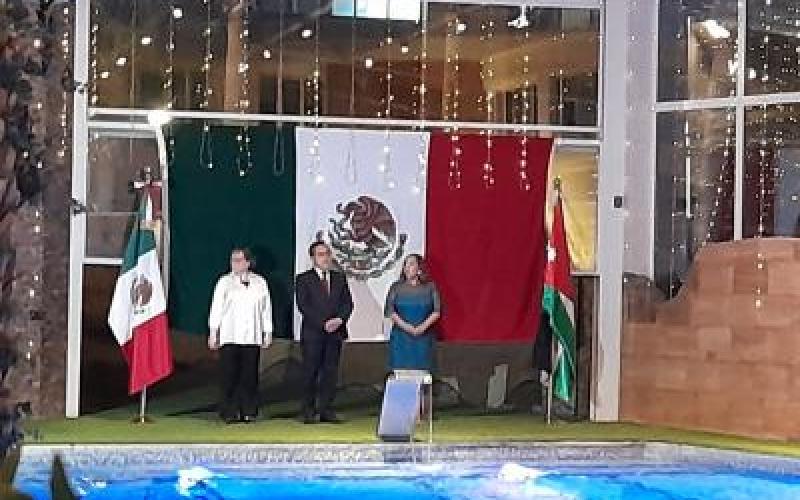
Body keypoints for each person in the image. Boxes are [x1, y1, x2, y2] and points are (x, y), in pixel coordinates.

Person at [208, 247, 273, 424]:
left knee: (249, 375)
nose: (235, 264)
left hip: (252, 336)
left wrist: (267, 331)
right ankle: (228, 411)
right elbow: (216, 307)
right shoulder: (224, 282)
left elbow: (266, 308)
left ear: (248, 262)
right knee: (229, 375)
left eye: (238, 260)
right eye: (233, 260)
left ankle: (248, 411)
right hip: (230, 335)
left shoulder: (260, 282)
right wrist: (213, 332)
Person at [295, 241, 354, 424]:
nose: (325, 258)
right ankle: (308, 410)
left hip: (335, 333)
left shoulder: (339, 278)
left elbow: (347, 303)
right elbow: (304, 305)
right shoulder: (304, 279)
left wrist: (339, 320)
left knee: (330, 373)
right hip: (313, 334)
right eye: (321, 254)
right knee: (310, 372)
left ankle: (326, 409)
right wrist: (324, 323)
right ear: (313, 258)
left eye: (327, 254)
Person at [384, 254, 441, 372]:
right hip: (401, 338)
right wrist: (408, 328)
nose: (406, 267)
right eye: (405, 264)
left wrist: (421, 328)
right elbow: (390, 311)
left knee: (423, 374)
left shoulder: (430, 287)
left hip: (424, 338)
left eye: (411, 264)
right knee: (401, 373)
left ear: (419, 268)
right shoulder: (396, 287)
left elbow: (436, 311)